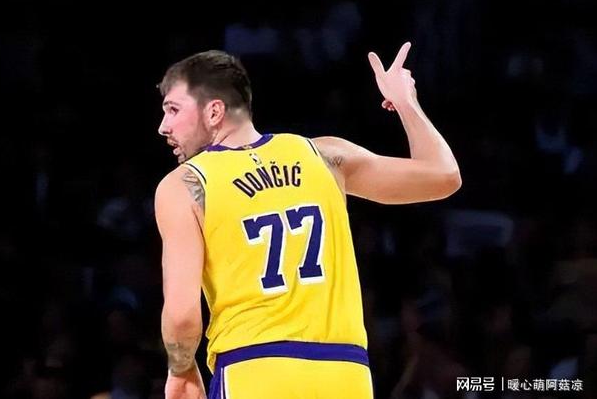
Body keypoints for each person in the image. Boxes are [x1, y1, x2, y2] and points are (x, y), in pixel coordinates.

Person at [154, 43, 461, 399]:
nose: (163, 126)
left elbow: (182, 316)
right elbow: (444, 176)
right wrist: (406, 102)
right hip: (345, 372)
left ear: (214, 111)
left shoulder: (186, 184)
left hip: (254, 368)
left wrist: (182, 369)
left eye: (173, 110)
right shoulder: (325, 155)